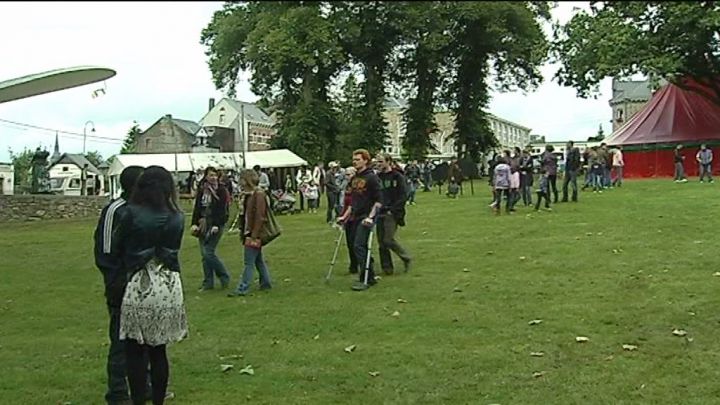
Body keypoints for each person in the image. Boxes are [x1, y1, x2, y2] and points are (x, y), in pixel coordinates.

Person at [116, 166, 188, 405]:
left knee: (134, 350)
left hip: (141, 282)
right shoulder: (178, 216)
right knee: (159, 350)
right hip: (168, 284)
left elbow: (118, 247)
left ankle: (138, 399)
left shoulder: (130, 213)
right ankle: (158, 400)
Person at [94, 166, 151, 405]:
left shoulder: (146, 209)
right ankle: (117, 393)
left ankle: (143, 386)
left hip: (145, 285)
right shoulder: (114, 210)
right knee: (121, 341)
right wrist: (117, 282)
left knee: (145, 339)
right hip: (121, 285)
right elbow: (105, 250)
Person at [337, 149, 382, 291]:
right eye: (353, 159)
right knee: (355, 245)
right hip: (354, 216)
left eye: (357, 159)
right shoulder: (355, 179)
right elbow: (353, 201)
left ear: (365, 160)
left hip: (366, 217)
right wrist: (344, 216)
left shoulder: (372, 178)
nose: (354, 161)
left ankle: (366, 278)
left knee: (359, 245)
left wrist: (371, 217)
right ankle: (370, 274)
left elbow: (379, 200)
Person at [228, 169, 273, 296]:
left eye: (241, 179)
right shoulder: (249, 194)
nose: (239, 182)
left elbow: (259, 216)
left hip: (253, 233)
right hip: (249, 231)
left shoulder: (258, 194)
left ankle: (243, 287)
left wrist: (254, 235)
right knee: (258, 260)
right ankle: (266, 282)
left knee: (249, 262)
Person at [191, 166, 231, 292]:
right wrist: (194, 223)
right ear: (206, 176)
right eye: (210, 175)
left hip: (215, 224)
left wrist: (217, 224)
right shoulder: (202, 190)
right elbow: (197, 207)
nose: (213, 178)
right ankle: (208, 282)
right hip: (203, 223)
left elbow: (222, 210)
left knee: (208, 252)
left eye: (215, 175)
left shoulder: (221, 190)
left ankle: (224, 275)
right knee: (204, 254)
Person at [376, 154, 412, 275]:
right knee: (381, 243)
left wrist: (393, 209)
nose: (378, 164)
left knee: (388, 239)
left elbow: (403, 195)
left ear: (388, 162)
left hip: (392, 212)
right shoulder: (377, 177)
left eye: (381, 162)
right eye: (377, 162)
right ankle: (387, 268)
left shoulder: (397, 177)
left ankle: (405, 257)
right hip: (379, 212)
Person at [339, 166, 359, 273]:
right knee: (350, 243)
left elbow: (353, 204)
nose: (347, 176)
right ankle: (353, 265)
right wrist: (342, 216)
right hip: (348, 219)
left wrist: (344, 216)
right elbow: (345, 204)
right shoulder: (346, 186)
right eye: (346, 174)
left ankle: (364, 263)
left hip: (356, 217)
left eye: (349, 174)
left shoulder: (358, 186)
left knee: (356, 243)